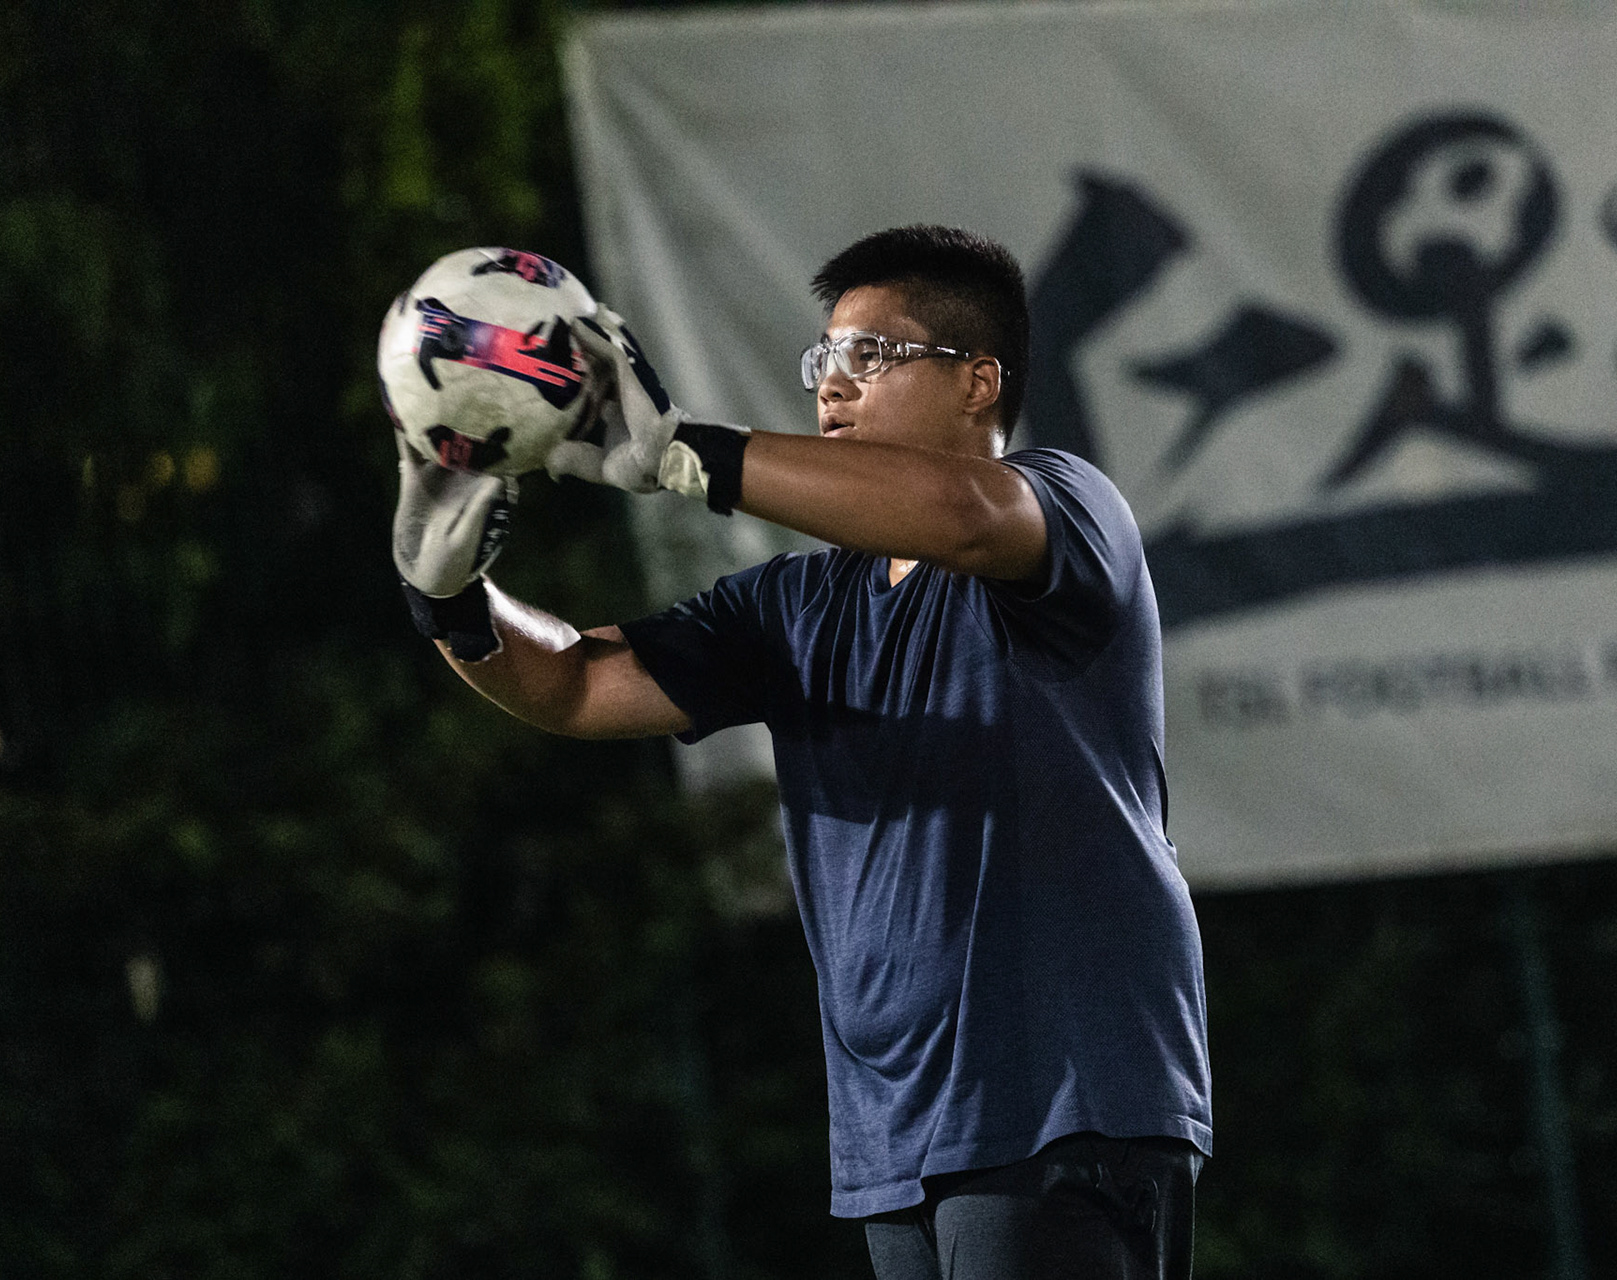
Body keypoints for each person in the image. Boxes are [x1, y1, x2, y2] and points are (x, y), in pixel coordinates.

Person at [391, 226, 1212, 1278]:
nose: (833, 383)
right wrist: (450, 597)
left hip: (1064, 1101)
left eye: (873, 354)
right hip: (899, 1140)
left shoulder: (1069, 503)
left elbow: (966, 515)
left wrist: (684, 451)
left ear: (979, 383)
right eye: (825, 357)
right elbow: (577, 684)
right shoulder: (798, 605)